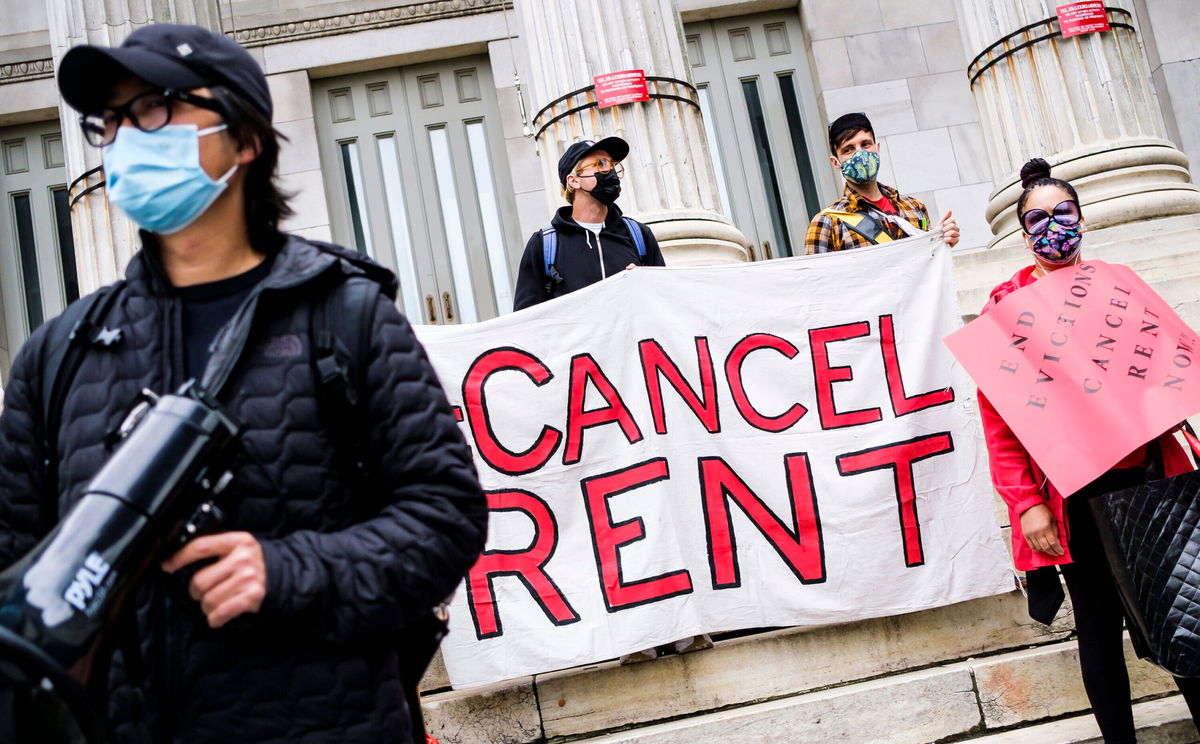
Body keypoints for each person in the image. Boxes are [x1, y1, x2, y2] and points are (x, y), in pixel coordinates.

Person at [0, 24, 486, 742]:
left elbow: (445, 516)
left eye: (157, 107)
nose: (128, 137)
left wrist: (290, 572)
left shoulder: (346, 318)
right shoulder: (57, 355)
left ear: (247, 139)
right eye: (113, 120)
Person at [978, 157, 1200, 742]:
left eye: (1064, 212)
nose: (1053, 225)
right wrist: (1027, 503)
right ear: (1023, 232)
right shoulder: (1005, 306)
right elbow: (1001, 423)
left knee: (1178, 614)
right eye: (1038, 218)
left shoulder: (1119, 284)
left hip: (1148, 479)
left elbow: (1169, 369)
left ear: (1082, 217)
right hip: (1074, 494)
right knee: (1098, 627)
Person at [512, 136, 665, 310]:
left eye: (612, 164)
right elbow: (526, 319)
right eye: (600, 164)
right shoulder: (544, 245)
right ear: (574, 180)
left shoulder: (639, 235)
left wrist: (645, 283)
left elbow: (666, 300)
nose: (611, 171)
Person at [804, 112, 960, 253]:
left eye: (865, 144)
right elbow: (816, 281)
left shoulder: (914, 207)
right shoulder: (827, 222)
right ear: (836, 162)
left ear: (877, 148)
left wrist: (942, 241)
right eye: (848, 149)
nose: (860, 154)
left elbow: (927, 263)